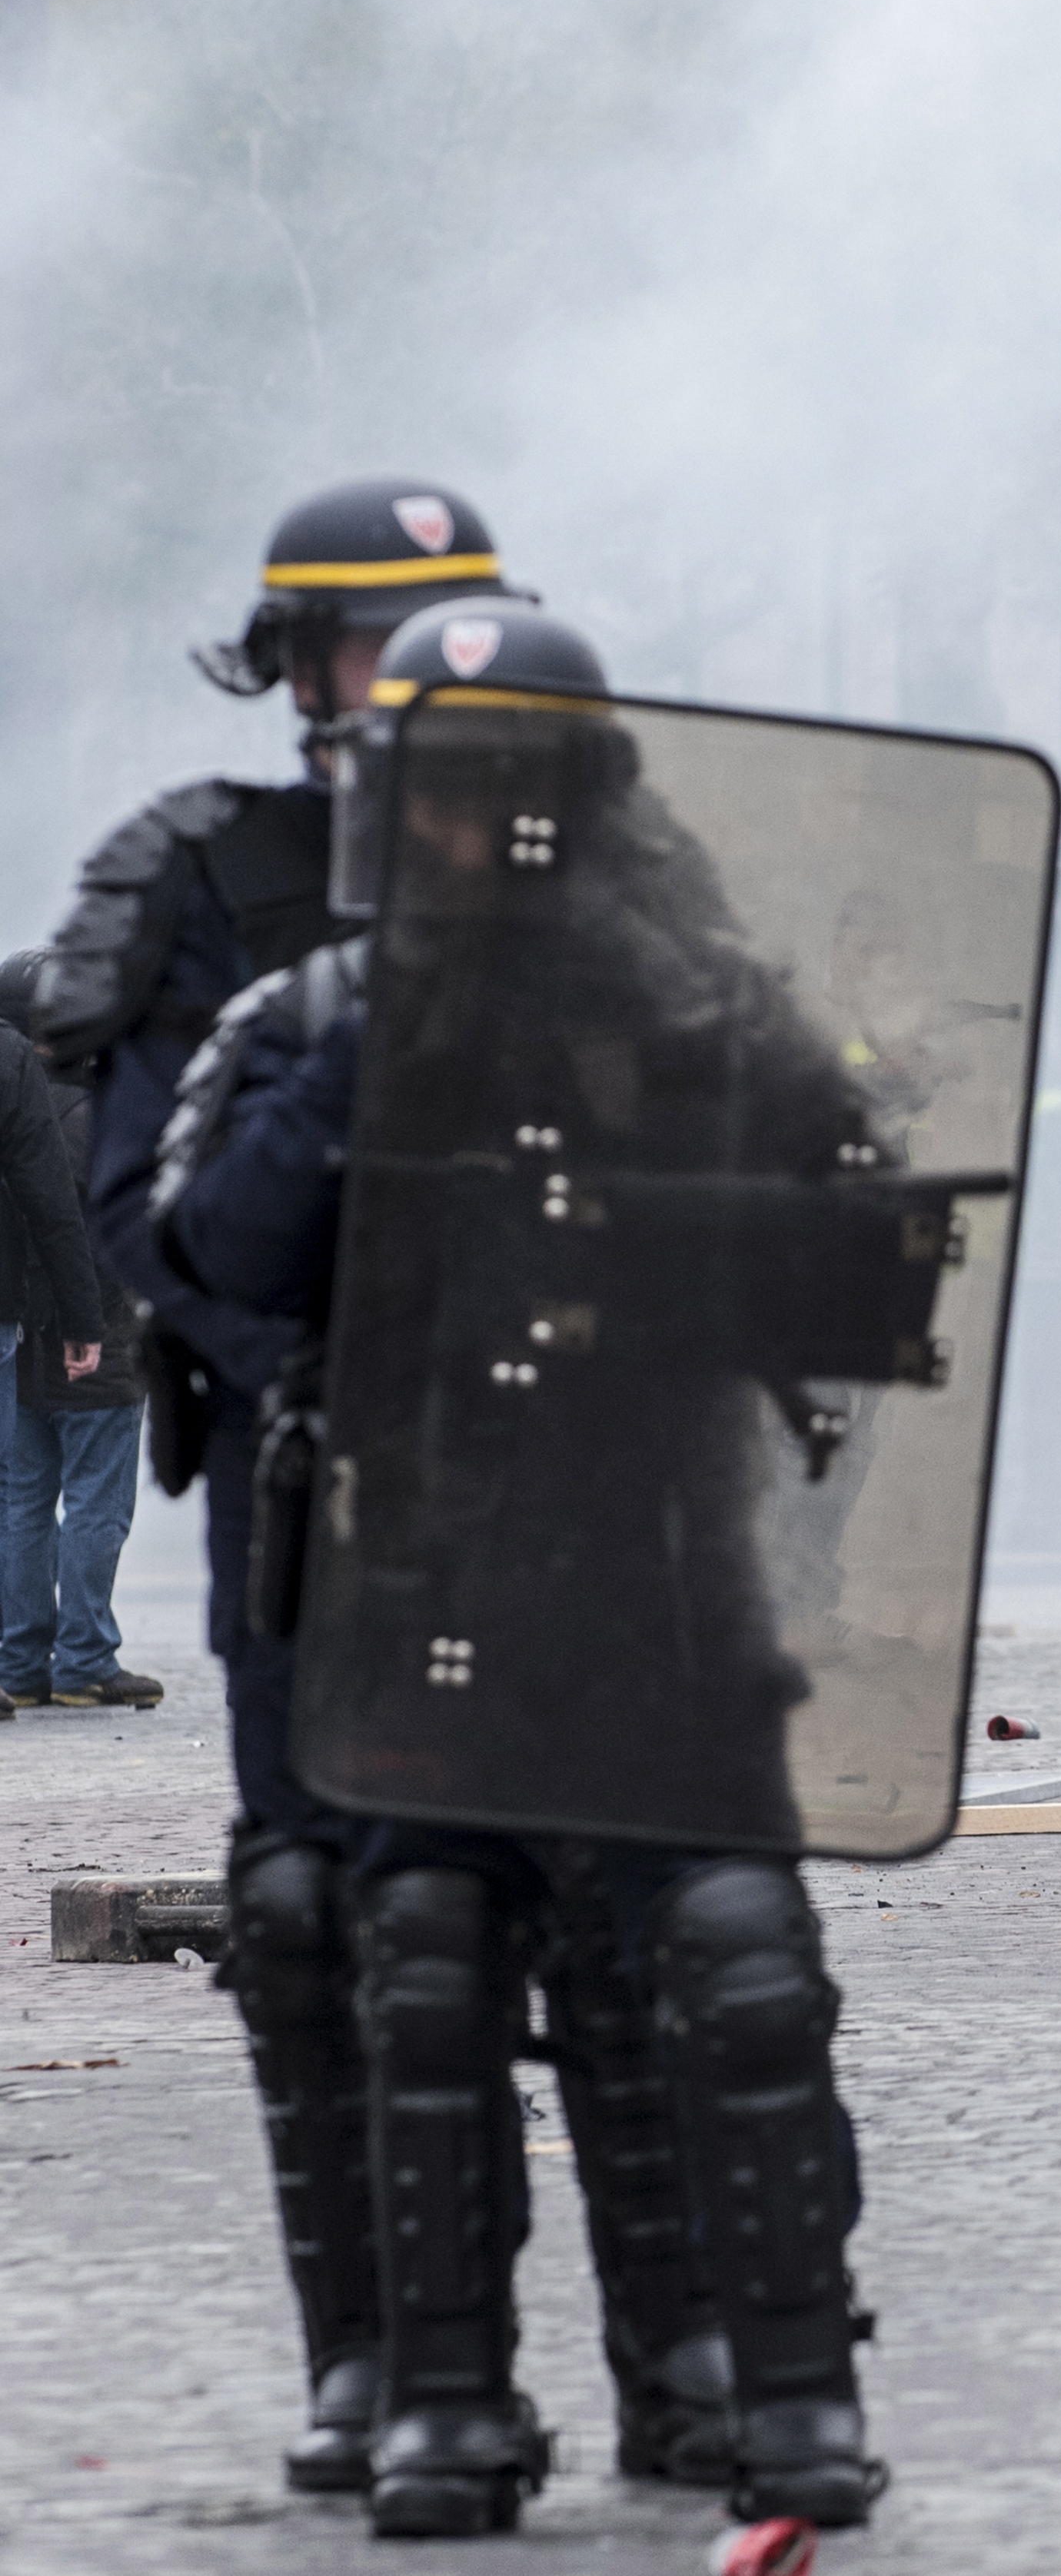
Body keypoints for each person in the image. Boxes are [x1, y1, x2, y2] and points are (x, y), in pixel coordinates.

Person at [156, 599, 943, 2532]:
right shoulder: (309, 1019)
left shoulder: (697, 999)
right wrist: (385, 1050)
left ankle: (776, 2383)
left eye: (510, 786)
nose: (471, 825)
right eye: (442, 787)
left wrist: (728, 1122)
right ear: (380, 797)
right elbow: (218, 1257)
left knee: (738, 1968)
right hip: (412, 1583)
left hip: (662, 1573)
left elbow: (859, 1278)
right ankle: (443, 2400)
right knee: (418, 1964)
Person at [29, 481, 531, 2490]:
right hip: (302, 1470)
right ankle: (382, 2353)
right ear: (295, 657)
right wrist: (319, 1373)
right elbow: (143, 1204)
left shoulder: (595, 863)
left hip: (558, 1458)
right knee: (332, 1906)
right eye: (366, 643)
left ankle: (715, 2357)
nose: (403, 684)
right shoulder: (199, 872)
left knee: (627, 1905)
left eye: (445, 636)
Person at [0, 951, 135, 1711]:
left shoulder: (13, 1096)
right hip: (97, 1326)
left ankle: (19, 1663)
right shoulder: (106, 1108)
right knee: (95, 1498)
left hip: (19, 1324)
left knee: (21, 1494)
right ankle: (85, 1656)